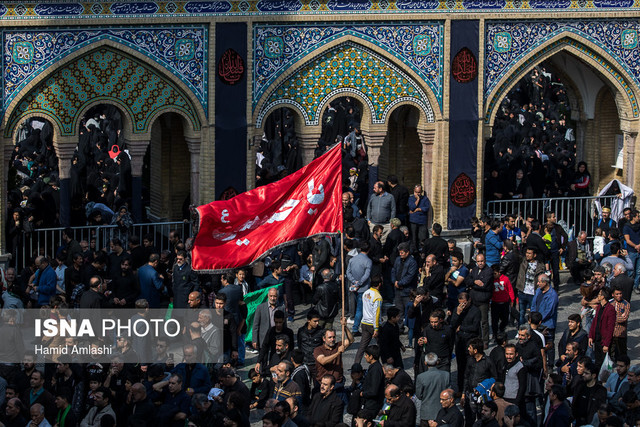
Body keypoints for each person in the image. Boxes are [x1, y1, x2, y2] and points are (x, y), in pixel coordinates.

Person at [451, 292, 482, 392]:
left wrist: (461, 328)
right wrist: (457, 314)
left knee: (470, 367)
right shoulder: (457, 310)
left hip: (470, 341)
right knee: (461, 367)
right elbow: (452, 324)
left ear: (469, 301)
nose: (462, 305)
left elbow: (475, 327)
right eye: (460, 303)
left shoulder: (475, 311)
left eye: (464, 303)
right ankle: (460, 389)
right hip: (460, 342)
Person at [462, 338, 497, 424]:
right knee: (469, 418)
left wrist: (483, 387)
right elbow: (466, 377)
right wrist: (463, 394)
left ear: (475, 350)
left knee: (483, 416)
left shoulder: (488, 361)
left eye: (470, 348)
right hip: (470, 393)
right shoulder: (470, 360)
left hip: (483, 395)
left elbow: (494, 377)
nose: (468, 349)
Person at [416, 352, 450, 425]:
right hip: (442, 411)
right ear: (437, 362)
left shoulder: (421, 377)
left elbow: (419, 395)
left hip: (426, 413)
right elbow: (449, 393)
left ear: (425, 363)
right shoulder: (446, 375)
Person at [354, 275, 382, 364]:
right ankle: (385, 364)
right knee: (382, 345)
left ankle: (356, 363)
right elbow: (376, 313)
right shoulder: (378, 296)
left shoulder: (366, 293)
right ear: (380, 284)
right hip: (372, 324)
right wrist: (376, 328)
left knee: (362, 346)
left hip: (364, 322)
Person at [531, 274, 558, 364]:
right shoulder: (538, 291)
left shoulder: (552, 295)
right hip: (537, 322)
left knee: (549, 345)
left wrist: (538, 318)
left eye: (539, 282)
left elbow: (549, 311)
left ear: (545, 282)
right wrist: (533, 316)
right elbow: (534, 304)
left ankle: (550, 364)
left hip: (547, 324)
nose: (538, 284)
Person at [346, 242, 372, 335]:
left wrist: (354, 282)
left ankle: (357, 326)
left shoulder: (352, 260)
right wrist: (359, 283)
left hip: (354, 286)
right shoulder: (368, 261)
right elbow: (366, 275)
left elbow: (348, 272)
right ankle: (355, 328)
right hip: (363, 288)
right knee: (360, 309)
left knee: (357, 306)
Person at [468, 253, 493, 347]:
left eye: (482, 261)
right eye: (478, 261)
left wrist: (473, 285)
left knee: (484, 321)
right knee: (475, 320)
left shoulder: (488, 271)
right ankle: (477, 338)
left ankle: (485, 340)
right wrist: (475, 282)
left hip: (483, 299)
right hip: (474, 299)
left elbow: (484, 285)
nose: (480, 263)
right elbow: (468, 280)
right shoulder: (474, 270)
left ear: (485, 261)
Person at [515, 248, 545, 326]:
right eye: (527, 253)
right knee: (521, 313)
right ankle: (520, 329)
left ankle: (531, 330)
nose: (527, 255)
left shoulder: (540, 266)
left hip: (533, 293)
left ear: (534, 255)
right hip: (522, 291)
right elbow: (516, 255)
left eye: (529, 253)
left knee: (532, 314)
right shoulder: (523, 262)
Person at [391, 242, 418, 327]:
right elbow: (393, 271)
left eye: (402, 252)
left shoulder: (412, 262)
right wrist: (394, 281)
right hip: (398, 290)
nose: (400, 254)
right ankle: (400, 327)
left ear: (407, 252)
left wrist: (400, 283)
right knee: (399, 311)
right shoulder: (397, 260)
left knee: (409, 310)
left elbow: (410, 276)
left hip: (407, 290)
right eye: (400, 252)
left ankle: (411, 328)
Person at [572, 360, 607, 426]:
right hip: (577, 421)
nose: (583, 375)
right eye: (584, 373)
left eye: (586, 373)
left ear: (593, 375)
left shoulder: (600, 391)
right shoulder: (580, 386)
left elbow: (600, 408)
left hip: (591, 423)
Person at [589, 287, 615, 370]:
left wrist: (606, 344)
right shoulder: (599, 307)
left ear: (603, 296)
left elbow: (610, 328)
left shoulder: (610, 309)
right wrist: (591, 336)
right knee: (597, 361)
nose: (598, 296)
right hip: (597, 338)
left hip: (603, 340)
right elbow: (594, 322)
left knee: (604, 363)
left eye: (599, 294)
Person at [252, 287, 285, 353]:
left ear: (277, 297)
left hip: (276, 339)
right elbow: (255, 325)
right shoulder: (260, 308)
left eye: (274, 296)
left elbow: (284, 325)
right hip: (263, 339)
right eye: (271, 296)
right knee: (263, 360)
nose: (272, 298)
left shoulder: (281, 308)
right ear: (268, 296)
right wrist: (254, 340)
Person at [360, 345, 385, 420]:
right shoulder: (374, 367)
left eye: (366, 355)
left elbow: (374, 390)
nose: (365, 357)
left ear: (371, 356)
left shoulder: (376, 369)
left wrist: (363, 394)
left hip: (372, 404)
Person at [491, 264, 515, 340]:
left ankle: (501, 329)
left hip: (504, 303)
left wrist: (512, 300)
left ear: (499, 272)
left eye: (495, 273)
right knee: (494, 320)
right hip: (495, 303)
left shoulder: (505, 279)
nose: (494, 275)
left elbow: (510, 290)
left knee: (505, 319)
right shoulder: (491, 280)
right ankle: (495, 334)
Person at [408, 184, 431, 250]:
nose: (418, 194)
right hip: (413, 221)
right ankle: (414, 251)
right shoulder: (411, 198)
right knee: (414, 237)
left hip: (422, 221)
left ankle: (422, 251)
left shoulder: (425, 199)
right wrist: (417, 200)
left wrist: (418, 209)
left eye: (419, 192)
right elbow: (412, 207)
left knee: (422, 237)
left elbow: (426, 208)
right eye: (416, 192)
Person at [611, 284, 630, 359]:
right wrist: (618, 317)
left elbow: (624, 318)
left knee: (622, 352)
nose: (619, 295)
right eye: (617, 294)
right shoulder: (610, 304)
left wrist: (612, 318)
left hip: (621, 333)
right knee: (610, 352)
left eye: (620, 294)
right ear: (613, 295)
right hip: (611, 332)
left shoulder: (626, 304)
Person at [623, 209, 640, 293]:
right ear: (634, 217)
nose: (639, 218)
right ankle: (629, 286)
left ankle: (635, 286)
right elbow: (627, 240)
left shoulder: (639, 225)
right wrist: (636, 246)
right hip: (631, 251)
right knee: (630, 270)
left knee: (638, 271)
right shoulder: (627, 227)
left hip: (639, 250)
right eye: (638, 216)